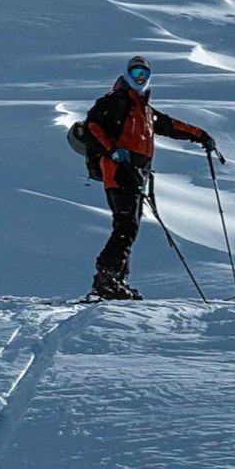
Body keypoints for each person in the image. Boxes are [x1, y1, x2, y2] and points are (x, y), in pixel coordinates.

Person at [85, 54, 216, 299]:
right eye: (135, 73)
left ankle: (117, 280)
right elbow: (92, 126)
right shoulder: (115, 102)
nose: (140, 78)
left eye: (144, 74)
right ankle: (107, 278)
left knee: (128, 225)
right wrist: (113, 152)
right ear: (126, 74)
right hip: (118, 172)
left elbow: (169, 125)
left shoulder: (144, 110)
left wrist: (200, 135)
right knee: (126, 225)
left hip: (137, 174)